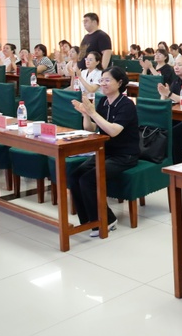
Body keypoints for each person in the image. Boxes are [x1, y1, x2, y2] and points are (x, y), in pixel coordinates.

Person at [70, 66, 138, 236]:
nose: (103, 84)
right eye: (102, 80)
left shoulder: (126, 104)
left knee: (88, 179)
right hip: (105, 151)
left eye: (107, 80)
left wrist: (93, 113)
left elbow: (113, 131)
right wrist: (86, 114)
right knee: (75, 175)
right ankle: (88, 220)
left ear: (119, 83)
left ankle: (106, 220)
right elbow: (91, 128)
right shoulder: (102, 102)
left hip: (125, 155)